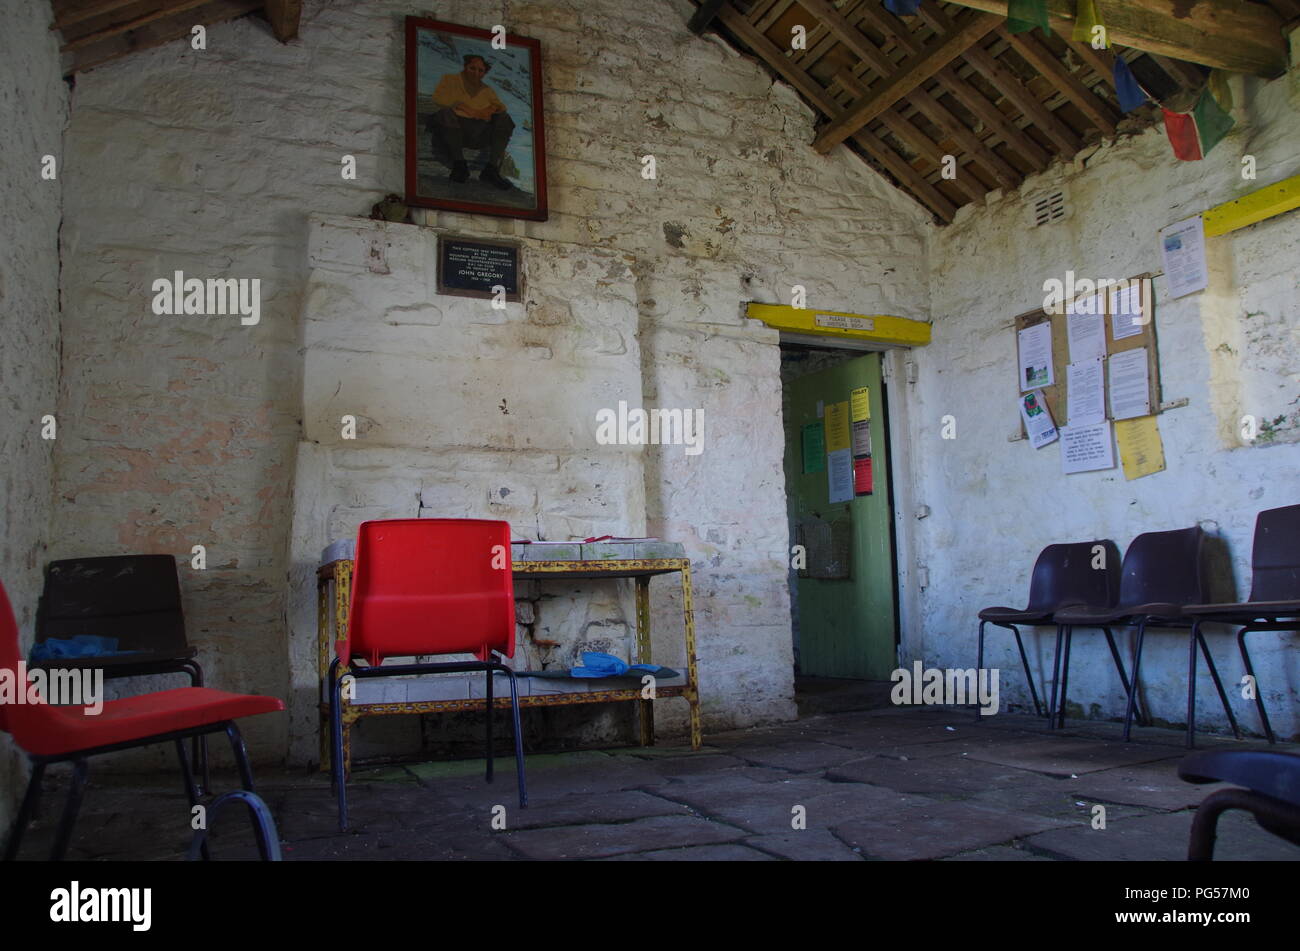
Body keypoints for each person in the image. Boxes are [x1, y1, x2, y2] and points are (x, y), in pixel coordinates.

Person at [430, 54, 515, 190]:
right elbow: (438, 98)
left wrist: (490, 109)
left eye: (480, 71)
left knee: (504, 119)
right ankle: (459, 165)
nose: (476, 73)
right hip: (455, 129)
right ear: (465, 66)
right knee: (444, 114)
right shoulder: (450, 80)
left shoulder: (486, 90)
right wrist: (465, 107)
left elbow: (500, 106)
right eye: (472, 68)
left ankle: (491, 170)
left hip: (478, 131)